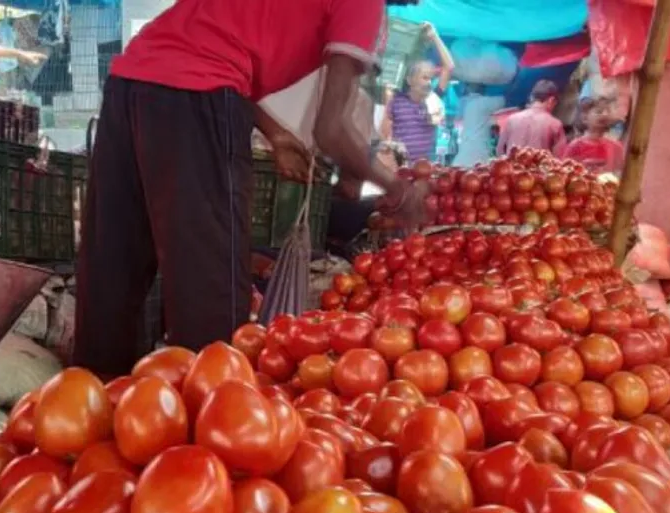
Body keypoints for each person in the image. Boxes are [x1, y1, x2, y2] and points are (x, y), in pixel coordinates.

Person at [74, 0, 427, 378]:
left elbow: (211, 44)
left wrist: (275, 134)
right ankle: (212, 413)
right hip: (196, 97)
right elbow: (330, 130)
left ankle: (86, 404)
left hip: (130, 81)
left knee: (112, 263)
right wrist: (399, 189)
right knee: (209, 283)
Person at [381, 28, 455, 163]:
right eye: (424, 78)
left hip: (425, 167)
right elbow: (384, 133)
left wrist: (435, 37)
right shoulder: (396, 99)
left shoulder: (434, 98)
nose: (429, 82)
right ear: (409, 80)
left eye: (431, 79)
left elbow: (449, 67)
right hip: (400, 166)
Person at [497, 79, 567, 157]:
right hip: (539, 168)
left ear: (532, 98)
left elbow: (500, 151)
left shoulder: (512, 119)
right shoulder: (555, 124)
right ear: (551, 100)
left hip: (512, 168)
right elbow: (560, 159)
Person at [562, 98, 624, 174]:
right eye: (599, 111)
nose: (604, 114)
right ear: (585, 118)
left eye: (607, 111)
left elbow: (620, 174)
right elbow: (564, 172)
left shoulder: (616, 147)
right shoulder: (575, 146)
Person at [451, 83, 505, 167]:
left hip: (461, 159)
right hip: (478, 159)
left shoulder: (463, 102)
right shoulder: (484, 102)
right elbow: (506, 100)